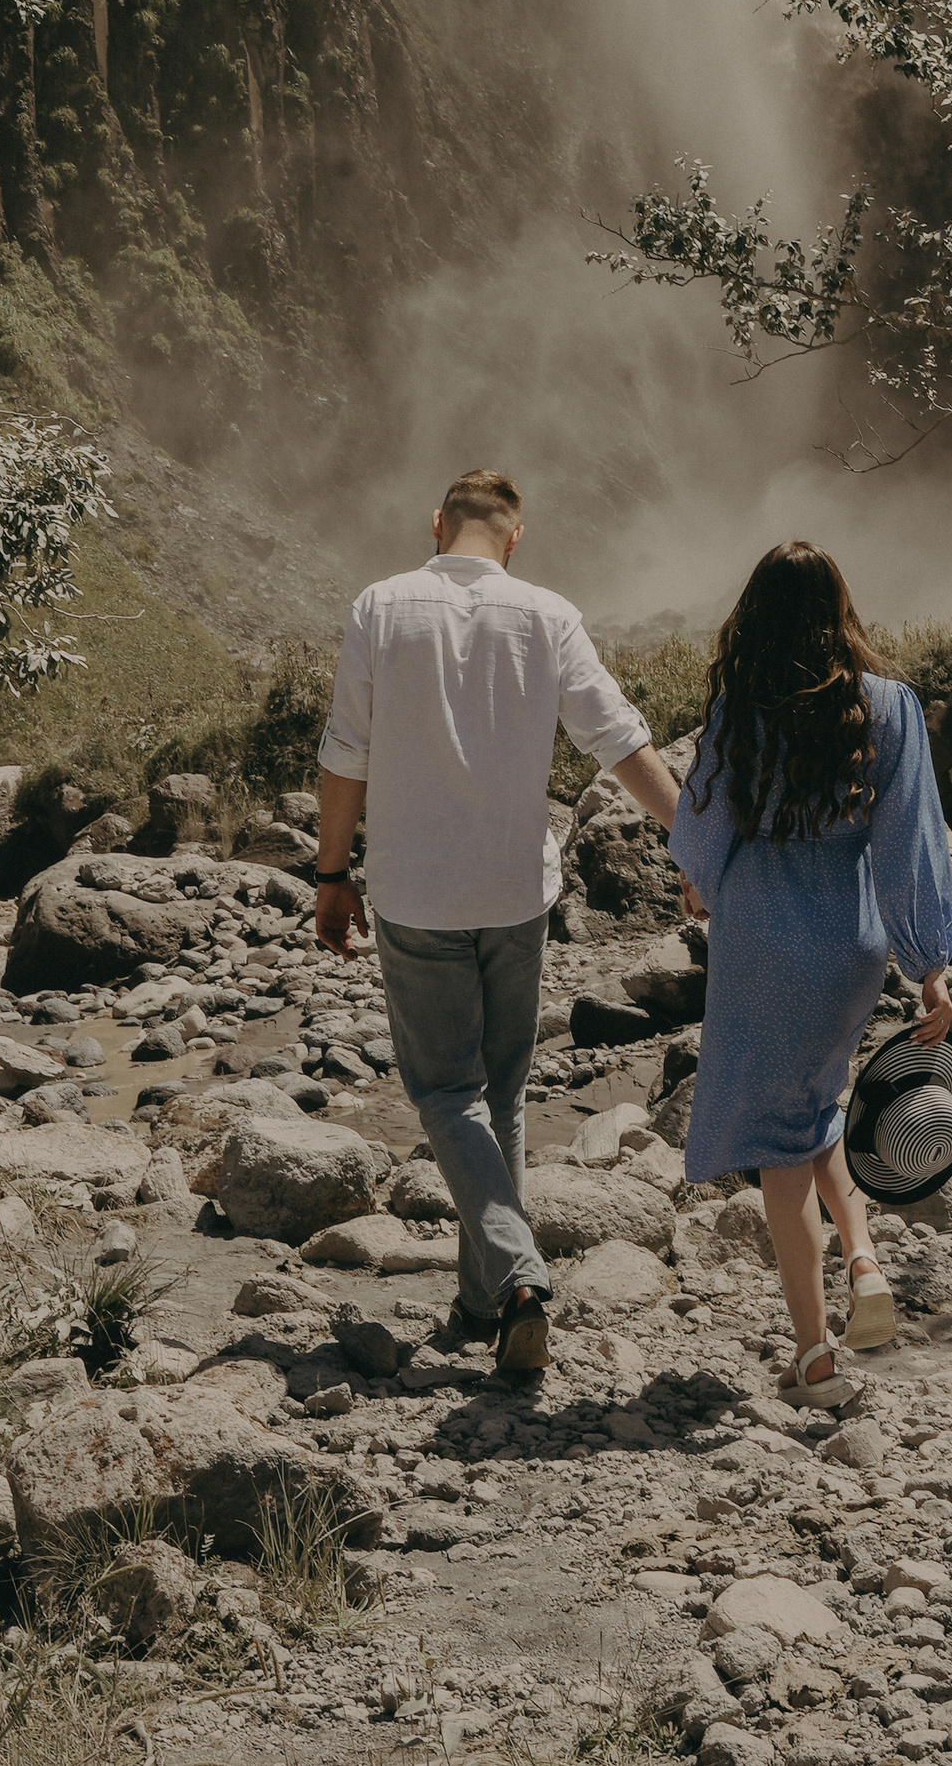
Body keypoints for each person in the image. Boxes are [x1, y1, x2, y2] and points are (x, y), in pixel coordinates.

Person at [313, 467, 684, 1375]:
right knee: (503, 1094)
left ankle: (518, 1275)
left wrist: (330, 872)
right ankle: (486, 1300)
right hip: (518, 893)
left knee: (445, 1094)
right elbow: (618, 736)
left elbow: (345, 755)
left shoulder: (379, 607)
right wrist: (695, 840)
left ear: (437, 524)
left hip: (416, 894)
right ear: (514, 538)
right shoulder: (548, 614)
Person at [670, 539, 952, 1408]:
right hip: (850, 942)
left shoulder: (741, 707)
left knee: (780, 1154)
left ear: (754, 616)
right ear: (839, 609)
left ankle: (815, 1356)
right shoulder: (890, 707)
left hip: (760, 939)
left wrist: (703, 888)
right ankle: (865, 1265)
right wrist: (928, 966)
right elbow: (911, 844)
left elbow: (702, 832)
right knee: (817, 1099)